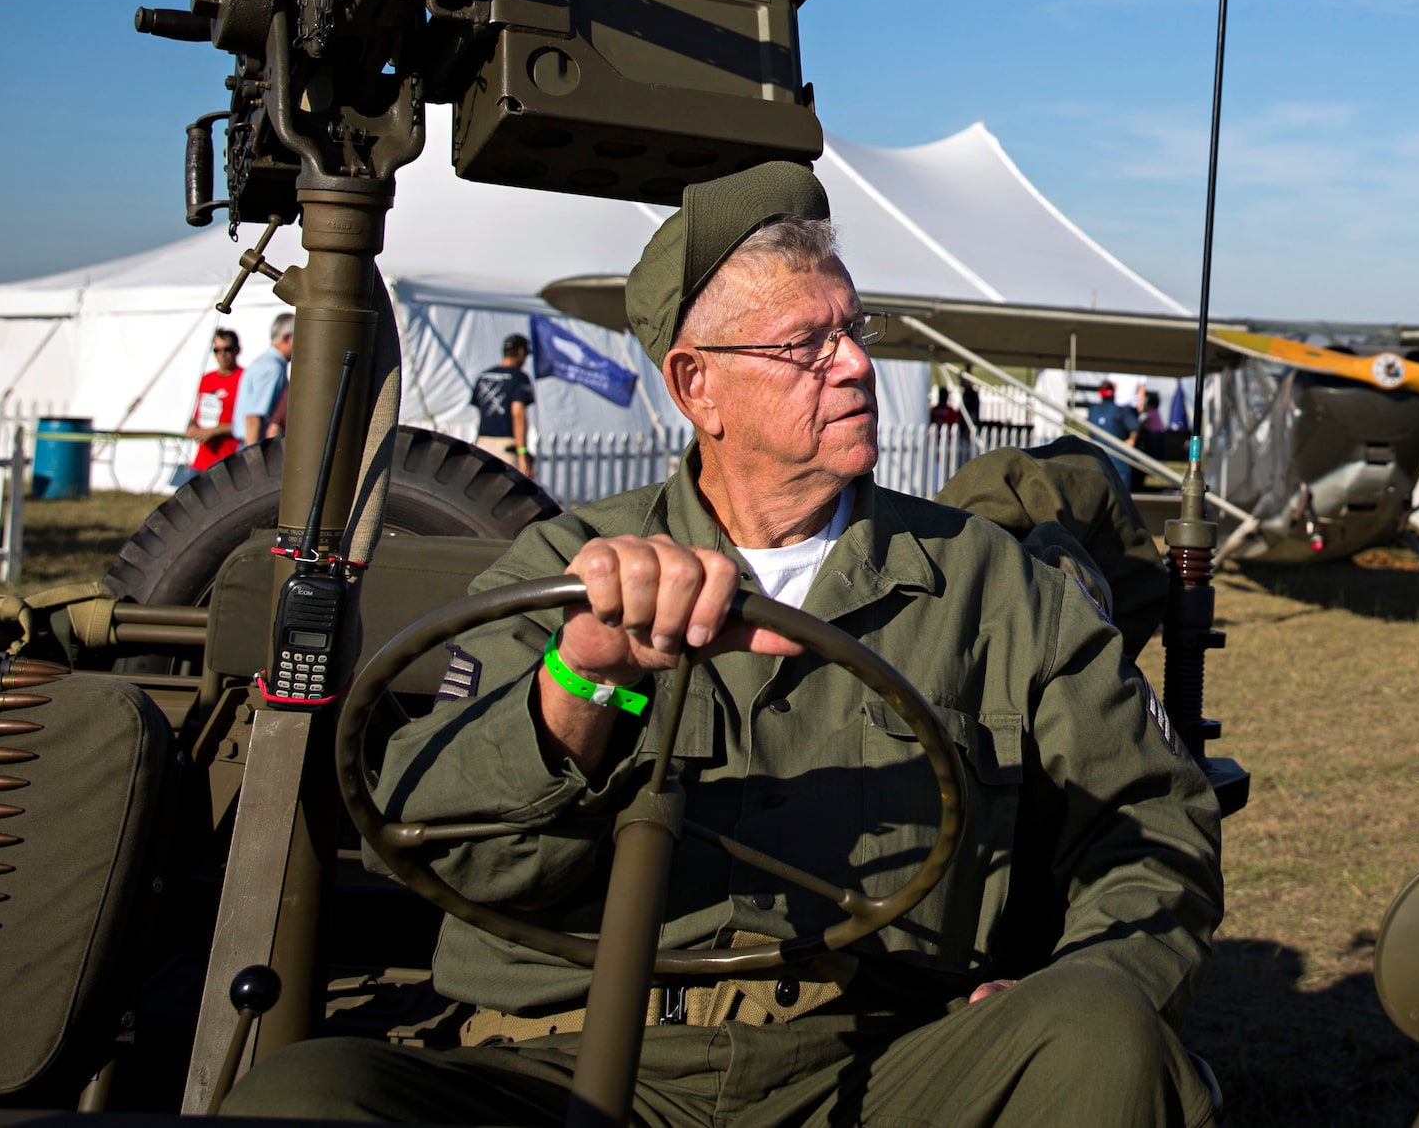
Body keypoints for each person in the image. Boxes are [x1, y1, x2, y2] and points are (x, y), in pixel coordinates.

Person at [228, 163, 1222, 1127]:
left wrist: (1092, 972)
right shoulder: (563, 568)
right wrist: (586, 684)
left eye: (854, 329)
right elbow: (434, 842)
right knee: (305, 1098)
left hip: (877, 1065)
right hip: (560, 1059)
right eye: (807, 343)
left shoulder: (991, 584)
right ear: (698, 386)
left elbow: (1151, 826)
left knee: (1097, 1033)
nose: (858, 364)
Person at [472, 334, 539, 477]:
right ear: (520, 352)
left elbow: (479, 411)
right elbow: (518, 413)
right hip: (506, 449)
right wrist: (522, 453)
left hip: (482, 445)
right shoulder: (519, 377)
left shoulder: (483, 376)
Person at [187, 328, 244, 470]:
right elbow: (197, 415)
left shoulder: (244, 378)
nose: (222, 355)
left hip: (229, 460)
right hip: (203, 459)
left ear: (237, 350)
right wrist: (192, 427)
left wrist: (213, 431)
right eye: (217, 350)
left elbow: (247, 422)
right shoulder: (207, 379)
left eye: (227, 349)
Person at [236, 313, 291, 449]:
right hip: (254, 447)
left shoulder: (263, 362)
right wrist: (254, 460)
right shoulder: (272, 368)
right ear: (287, 338)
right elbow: (254, 418)